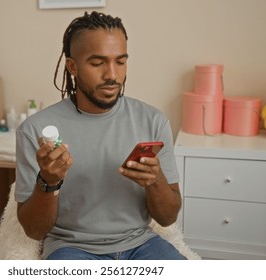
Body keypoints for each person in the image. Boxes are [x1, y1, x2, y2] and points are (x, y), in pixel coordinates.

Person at [15, 11, 185, 260]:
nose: (112, 75)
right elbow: (33, 230)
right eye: (98, 63)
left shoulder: (153, 121)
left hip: (141, 244)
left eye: (120, 61)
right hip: (71, 248)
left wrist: (155, 180)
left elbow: (168, 218)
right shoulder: (35, 130)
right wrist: (48, 183)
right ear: (73, 66)